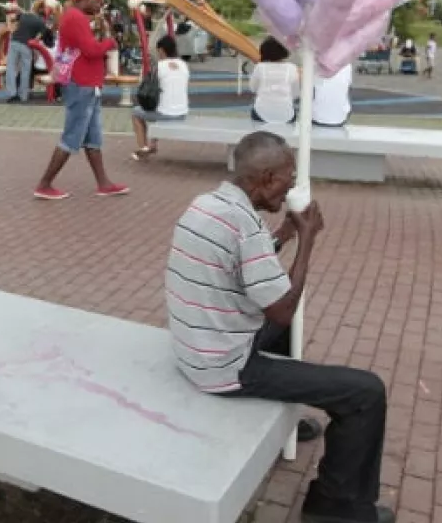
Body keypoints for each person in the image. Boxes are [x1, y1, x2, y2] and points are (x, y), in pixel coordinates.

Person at [167, 132, 392, 523]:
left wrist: (284, 235)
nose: (289, 191)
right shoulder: (244, 226)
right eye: (287, 181)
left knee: (286, 335)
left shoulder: (206, 205)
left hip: (195, 347)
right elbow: (283, 309)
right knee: (365, 393)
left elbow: (243, 265)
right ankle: (335, 507)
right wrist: (306, 240)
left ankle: (281, 421)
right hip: (223, 367)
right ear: (266, 178)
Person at [34, 0, 128, 200]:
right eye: (97, 0)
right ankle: (45, 184)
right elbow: (90, 50)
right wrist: (109, 43)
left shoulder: (74, 17)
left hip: (87, 84)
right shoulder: (76, 18)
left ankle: (103, 183)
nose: (100, 4)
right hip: (82, 84)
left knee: (92, 138)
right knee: (72, 137)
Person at [131, 36, 189, 160]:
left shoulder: (159, 66)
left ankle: (143, 149)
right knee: (161, 103)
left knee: (136, 113)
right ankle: (153, 144)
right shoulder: (183, 65)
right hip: (182, 112)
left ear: (162, 50)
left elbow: (146, 88)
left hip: (166, 114)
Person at [5, 1, 48, 103]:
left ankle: (12, 94)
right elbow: (37, 38)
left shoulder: (25, 15)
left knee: (11, 67)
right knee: (26, 70)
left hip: (15, 41)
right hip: (26, 45)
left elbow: (12, 19)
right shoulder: (41, 23)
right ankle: (23, 96)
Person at [250, 37, 300, 124]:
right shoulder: (292, 68)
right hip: (287, 113)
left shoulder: (259, 67)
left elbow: (253, 88)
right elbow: (296, 93)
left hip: (261, 113)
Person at [311, 63, 353, 128]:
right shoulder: (347, 66)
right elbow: (348, 90)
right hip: (340, 118)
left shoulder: (316, 65)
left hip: (316, 117)